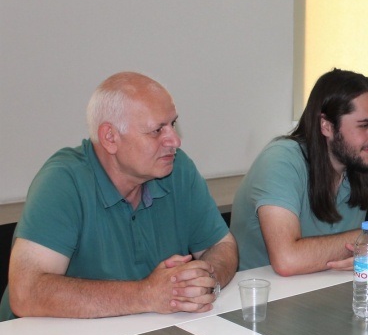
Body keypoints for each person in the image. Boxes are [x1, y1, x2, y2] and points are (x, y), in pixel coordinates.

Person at [0, 72, 238, 322]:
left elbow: (221, 246)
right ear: (110, 138)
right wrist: (147, 294)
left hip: (140, 332)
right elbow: (26, 293)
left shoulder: (177, 169)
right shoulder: (63, 181)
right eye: (157, 130)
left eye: (173, 124)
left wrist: (205, 280)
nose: (175, 141)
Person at [230, 68, 368, 276]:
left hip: (330, 283)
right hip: (265, 291)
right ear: (327, 126)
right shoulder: (280, 160)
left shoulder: (367, 154)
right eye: (364, 125)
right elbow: (287, 260)